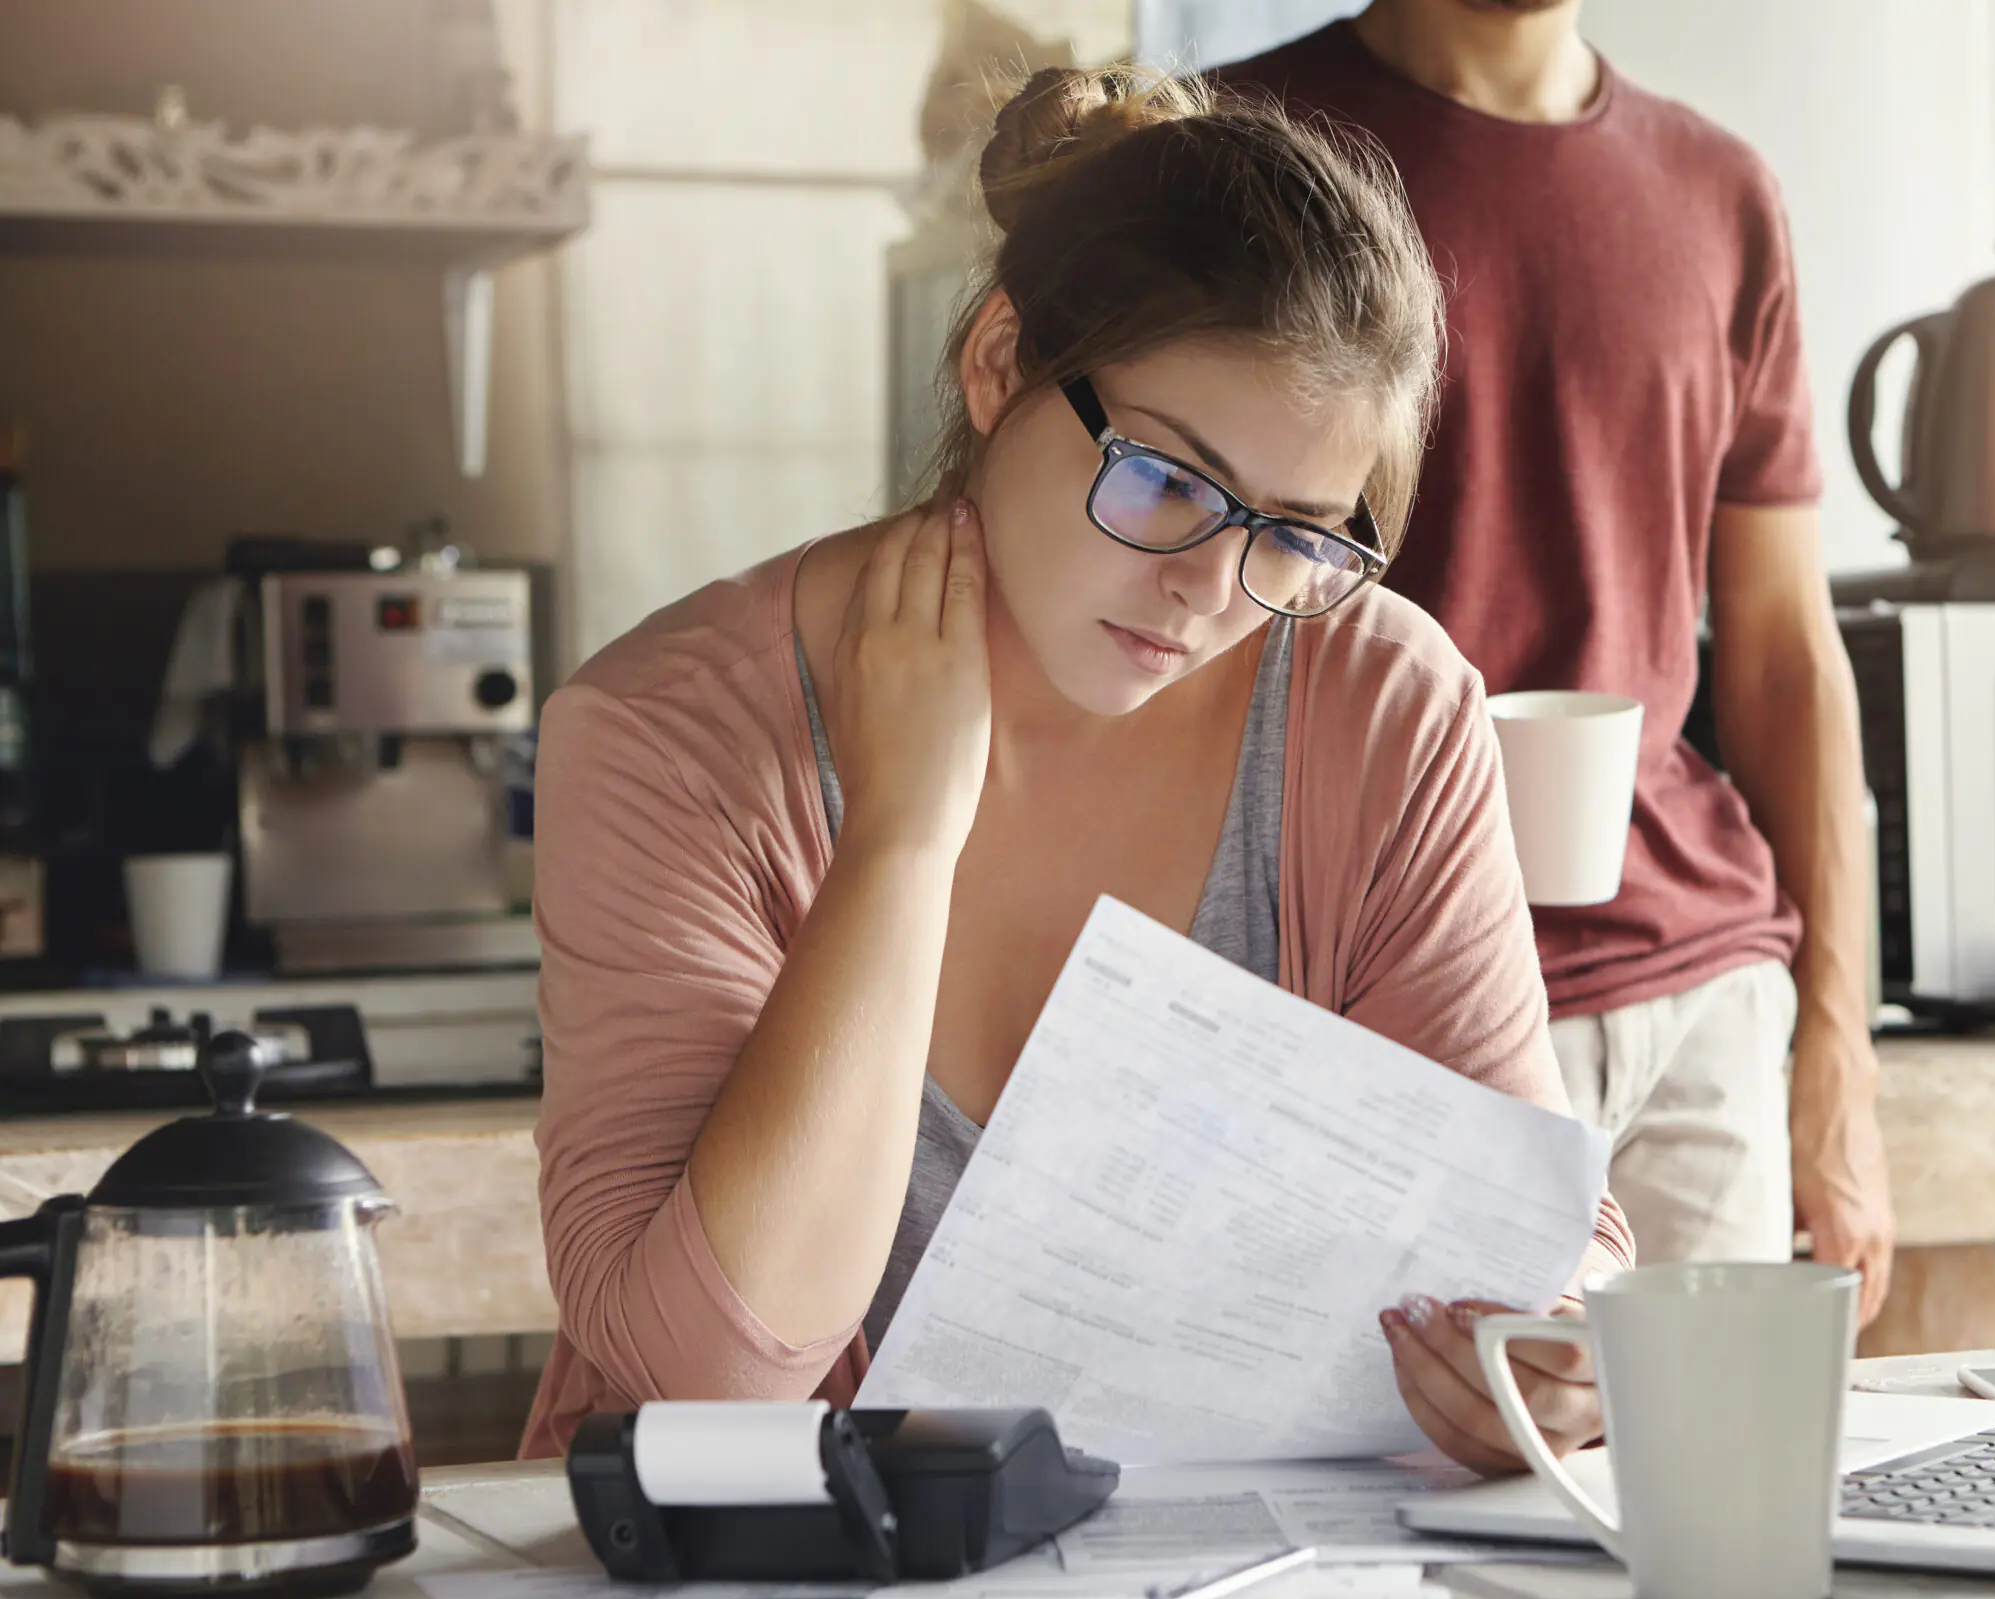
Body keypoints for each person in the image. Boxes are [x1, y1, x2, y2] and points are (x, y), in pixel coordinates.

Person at [518, 68, 1633, 1471]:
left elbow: (1529, 1227)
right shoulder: (662, 734)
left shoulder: (1379, 704)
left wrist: (1552, 1347)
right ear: (998, 364)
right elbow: (710, 1371)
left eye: (1294, 534)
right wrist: (902, 840)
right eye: (1166, 481)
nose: (1207, 592)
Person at [1223, 1, 1895, 1322]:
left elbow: (1784, 657)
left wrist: (1840, 1048)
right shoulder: (1241, 156)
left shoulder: (1722, 192)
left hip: (1699, 992)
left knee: (1715, 1513)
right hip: (1376, 992)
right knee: (1427, 1504)